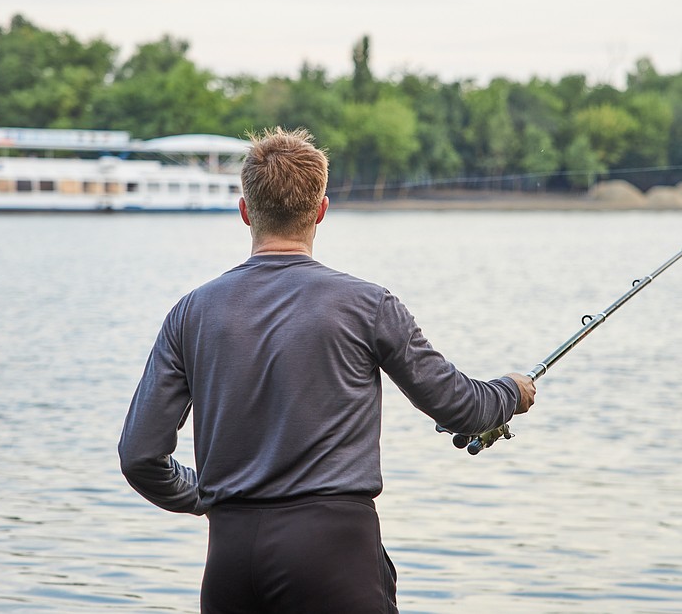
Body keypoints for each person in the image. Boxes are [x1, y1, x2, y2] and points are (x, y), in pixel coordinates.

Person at [118, 127, 536, 613]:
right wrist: (512, 392)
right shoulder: (368, 305)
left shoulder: (191, 313)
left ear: (246, 212)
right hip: (333, 556)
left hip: (229, 560)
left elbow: (139, 457)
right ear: (320, 210)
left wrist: (210, 496)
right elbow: (461, 406)